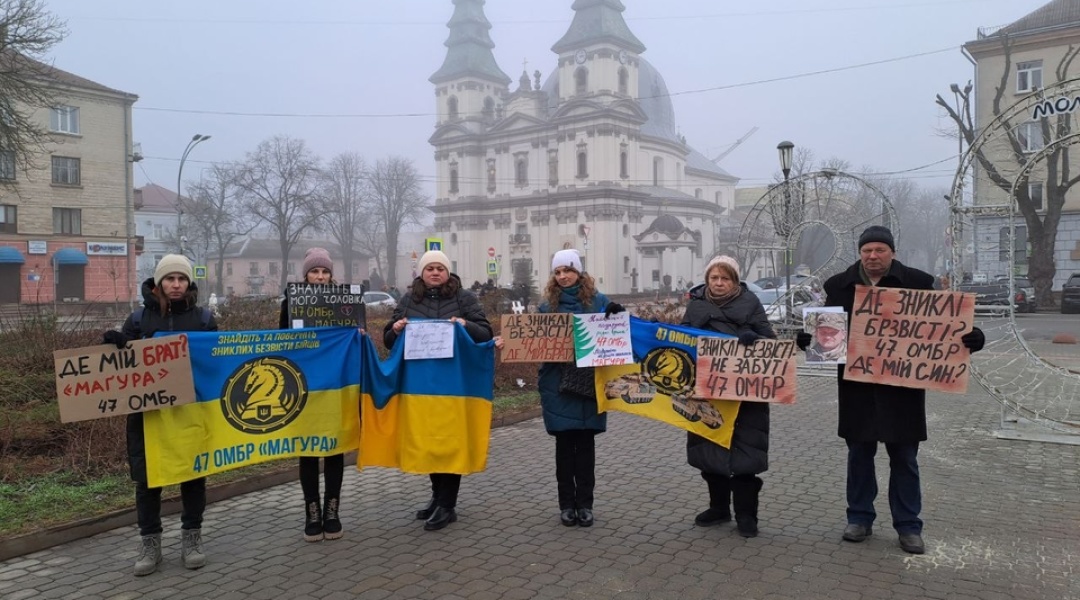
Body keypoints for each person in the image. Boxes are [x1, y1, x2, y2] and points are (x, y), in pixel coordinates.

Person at [798, 226, 985, 554]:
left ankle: (909, 525)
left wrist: (972, 337)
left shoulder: (918, 283)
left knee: (904, 457)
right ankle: (859, 518)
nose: (872, 256)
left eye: (879, 250)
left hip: (902, 387)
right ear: (860, 253)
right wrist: (809, 340)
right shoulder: (839, 286)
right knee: (859, 455)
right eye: (867, 250)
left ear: (892, 253)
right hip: (857, 387)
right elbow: (828, 339)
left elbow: (945, 326)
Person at [103, 254, 218, 576]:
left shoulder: (204, 320)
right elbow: (122, 370)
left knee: (193, 477)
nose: (176, 285)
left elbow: (215, 363)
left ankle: (192, 539)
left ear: (189, 283)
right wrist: (117, 345)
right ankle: (150, 544)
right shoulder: (138, 320)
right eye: (170, 279)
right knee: (147, 481)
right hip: (147, 416)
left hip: (188, 413)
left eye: (181, 279)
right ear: (158, 284)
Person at [383, 250, 493, 531]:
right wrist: (395, 329)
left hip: (454, 386)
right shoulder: (409, 299)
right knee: (430, 441)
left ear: (448, 272)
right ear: (421, 272)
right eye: (429, 268)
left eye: (439, 268)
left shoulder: (464, 298)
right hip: (420, 387)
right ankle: (436, 497)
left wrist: (464, 324)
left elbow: (485, 333)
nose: (434, 273)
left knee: (449, 441)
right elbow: (388, 340)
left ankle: (448, 505)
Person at [681, 255, 774, 537]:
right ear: (707, 279)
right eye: (714, 278)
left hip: (745, 395)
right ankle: (719, 508)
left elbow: (770, 343)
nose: (719, 283)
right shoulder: (696, 305)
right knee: (711, 451)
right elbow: (681, 339)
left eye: (725, 278)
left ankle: (747, 515)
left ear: (735, 281)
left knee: (745, 454)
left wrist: (753, 337)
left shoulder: (751, 304)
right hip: (707, 393)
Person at [536, 249, 623, 527]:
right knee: (564, 449)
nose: (563, 276)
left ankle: (585, 505)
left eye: (568, 270)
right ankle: (566, 505)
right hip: (557, 384)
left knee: (585, 448)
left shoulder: (598, 302)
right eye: (558, 272)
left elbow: (618, 331)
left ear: (579, 272)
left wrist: (616, 314)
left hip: (588, 384)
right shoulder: (546, 307)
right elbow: (534, 342)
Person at [278, 247, 346, 543]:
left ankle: (332, 510)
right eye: (315, 271)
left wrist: (357, 336)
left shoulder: (345, 301)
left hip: (335, 384)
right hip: (304, 384)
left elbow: (352, 334)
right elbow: (281, 340)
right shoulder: (289, 303)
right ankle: (312, 511)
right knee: (307, 448)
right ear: (305, 274)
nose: (320, 277)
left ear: (332, 274)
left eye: (325, 271)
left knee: (333, 447)